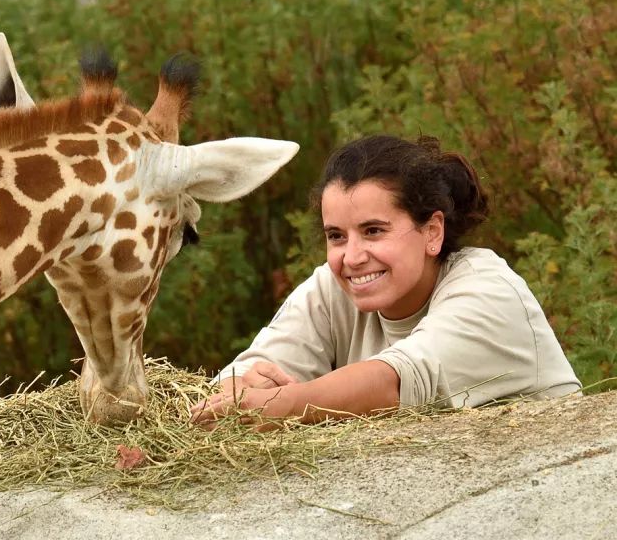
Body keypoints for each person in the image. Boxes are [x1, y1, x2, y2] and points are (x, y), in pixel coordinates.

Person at [190, 134, 581, 429]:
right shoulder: (331, 288)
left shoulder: (488, 289)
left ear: (432, 232)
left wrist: (279, 404)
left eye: (374, 231)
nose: (353, 257)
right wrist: (244, 383)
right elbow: (227, 389)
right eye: (336, 236)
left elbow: (394, 383)